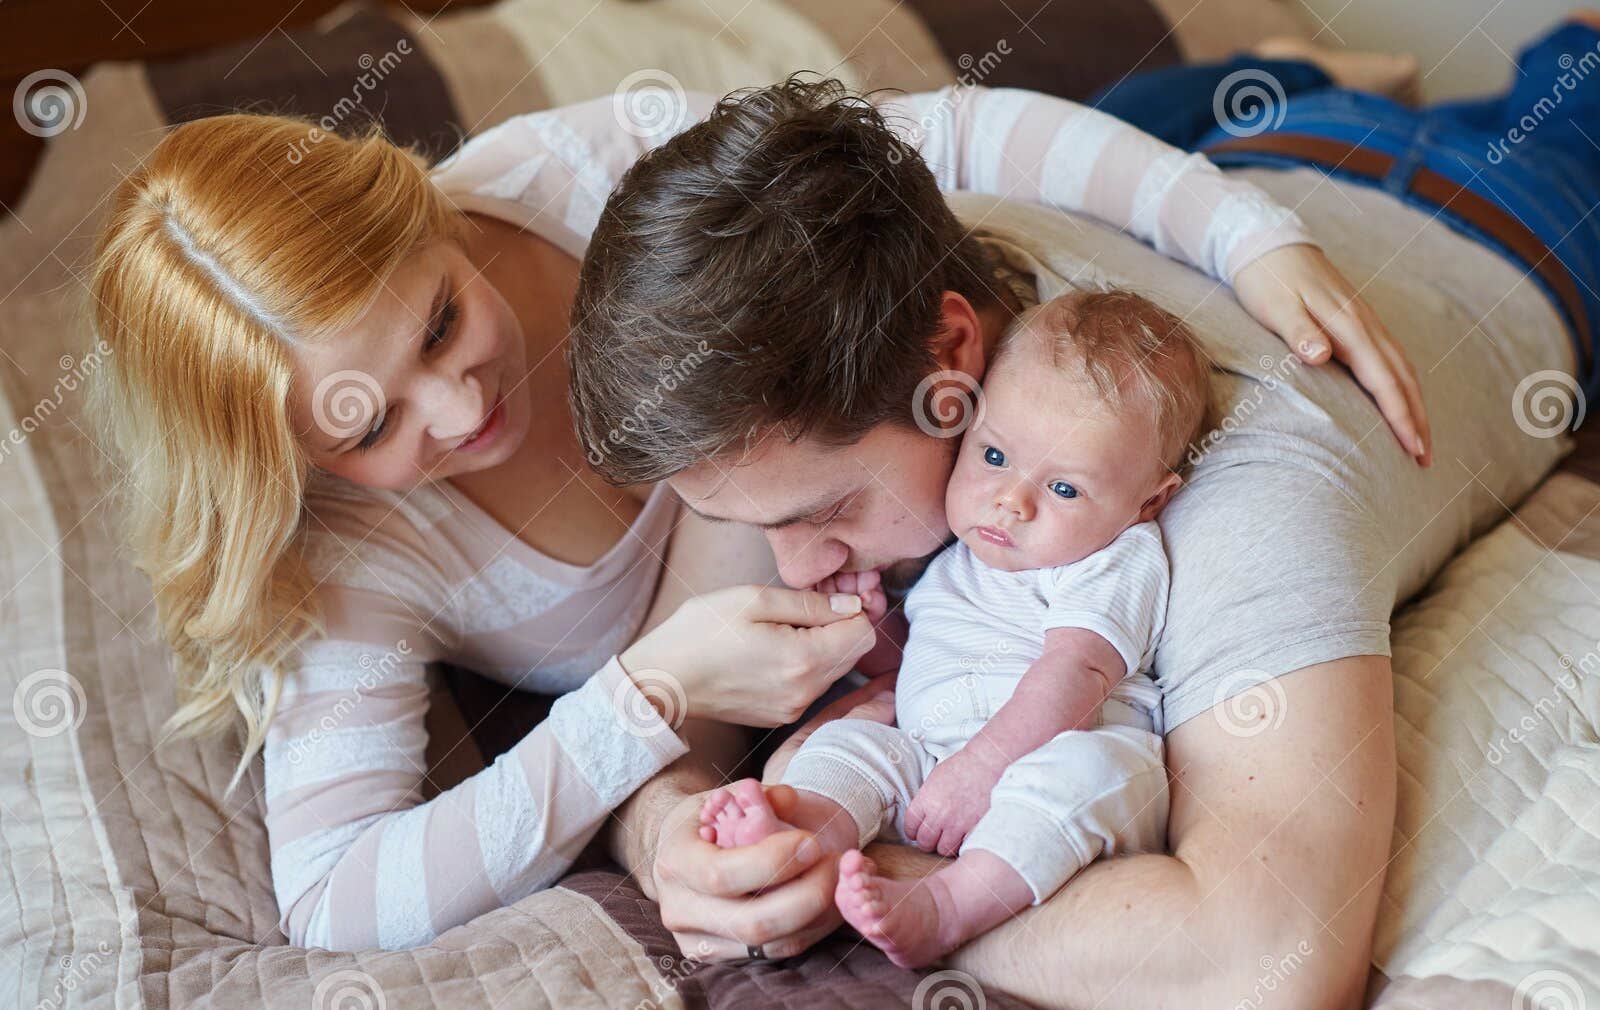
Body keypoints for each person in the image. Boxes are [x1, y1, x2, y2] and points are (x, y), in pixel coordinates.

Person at [82, 75, 1381, 951]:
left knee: (1209, 112)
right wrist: (641, 698)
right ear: (291, 463)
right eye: (367, 424)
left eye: (439, 319)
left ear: (425, 209)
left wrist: (1250, 235)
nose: (457, 401)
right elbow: (330, 893)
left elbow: (941, 134)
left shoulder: (583, 182)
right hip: (879, 624)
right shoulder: (358, 550)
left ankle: (1265, 91)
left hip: (963, 335)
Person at [570, 26, 1593, 1010]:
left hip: (1507, 217)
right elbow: (664, 717)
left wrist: (858, 881)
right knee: (1189, 97)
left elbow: (1267, 972)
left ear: (951, 353)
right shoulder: (817, 339)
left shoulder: (1238, 486)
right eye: (745, 526)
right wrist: (672, 841)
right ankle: (1292, 68)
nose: (793, 569)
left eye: (826, 515)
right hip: (1250, 147)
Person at [698, 289, 1209, 970]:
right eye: (995, 457)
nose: (1012, 500)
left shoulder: (1115, 556)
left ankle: (947, 906)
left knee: (1090, 774)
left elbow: (1077, 675)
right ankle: (798, 836)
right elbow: (904, 665)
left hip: (1052, 754)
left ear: (1149, 499)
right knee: (850, 740)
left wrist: (985, 767)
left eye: (1063, 489)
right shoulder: (962, 551)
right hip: (932, 752)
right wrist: (871, 623)